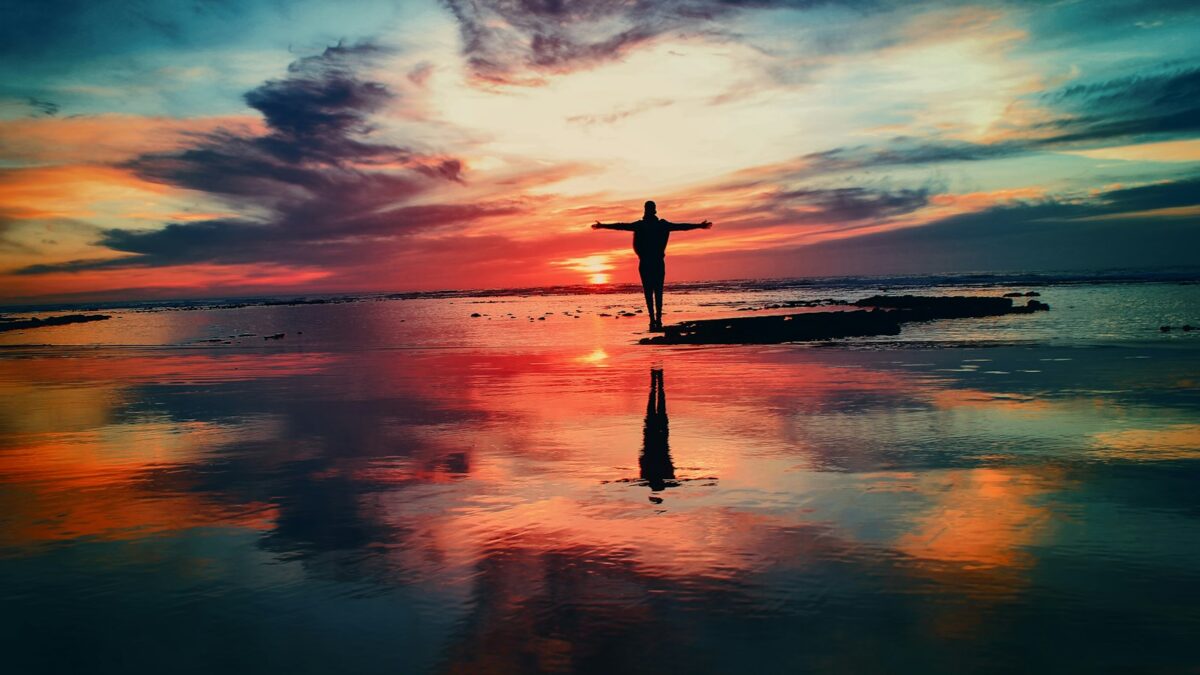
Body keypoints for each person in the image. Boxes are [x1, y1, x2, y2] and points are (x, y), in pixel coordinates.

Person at [591, 201, 712, 331]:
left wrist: (699, 226)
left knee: (651, 291)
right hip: (654, 262)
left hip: (649, 262)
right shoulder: (657, 225)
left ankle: (654, 319)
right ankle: (656, 318)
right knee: (656, 291)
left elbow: (681, 226)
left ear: (647, 210)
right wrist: (699, 226)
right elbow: (622, 226)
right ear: (654, 210)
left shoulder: (647, 225)